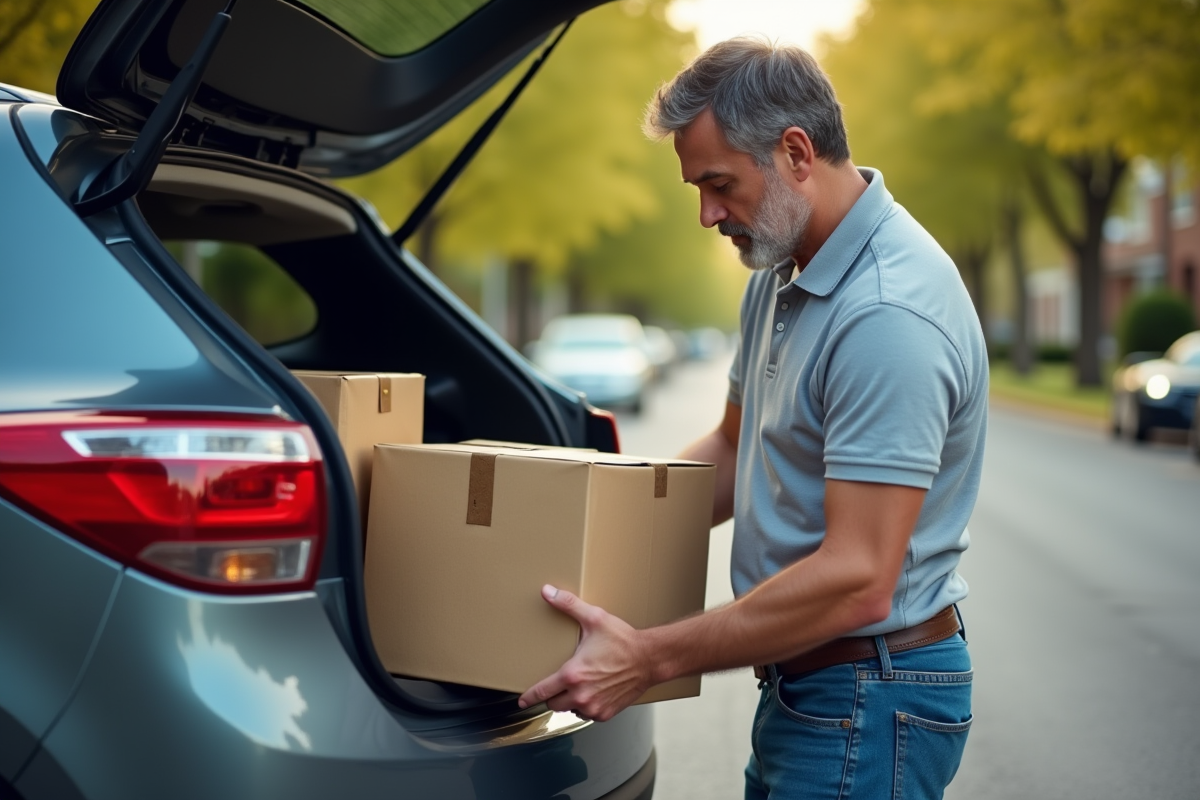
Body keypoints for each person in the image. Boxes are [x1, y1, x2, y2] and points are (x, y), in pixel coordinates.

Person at [518, 36, 987, 799]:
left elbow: (859, 579)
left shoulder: (887, 311)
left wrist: (650, 657)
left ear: (796, 152)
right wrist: (582, 528)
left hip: (869, 698)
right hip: (810, 690)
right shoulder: (781, 270)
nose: (708, 214)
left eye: (719, 184)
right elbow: (736, 447)